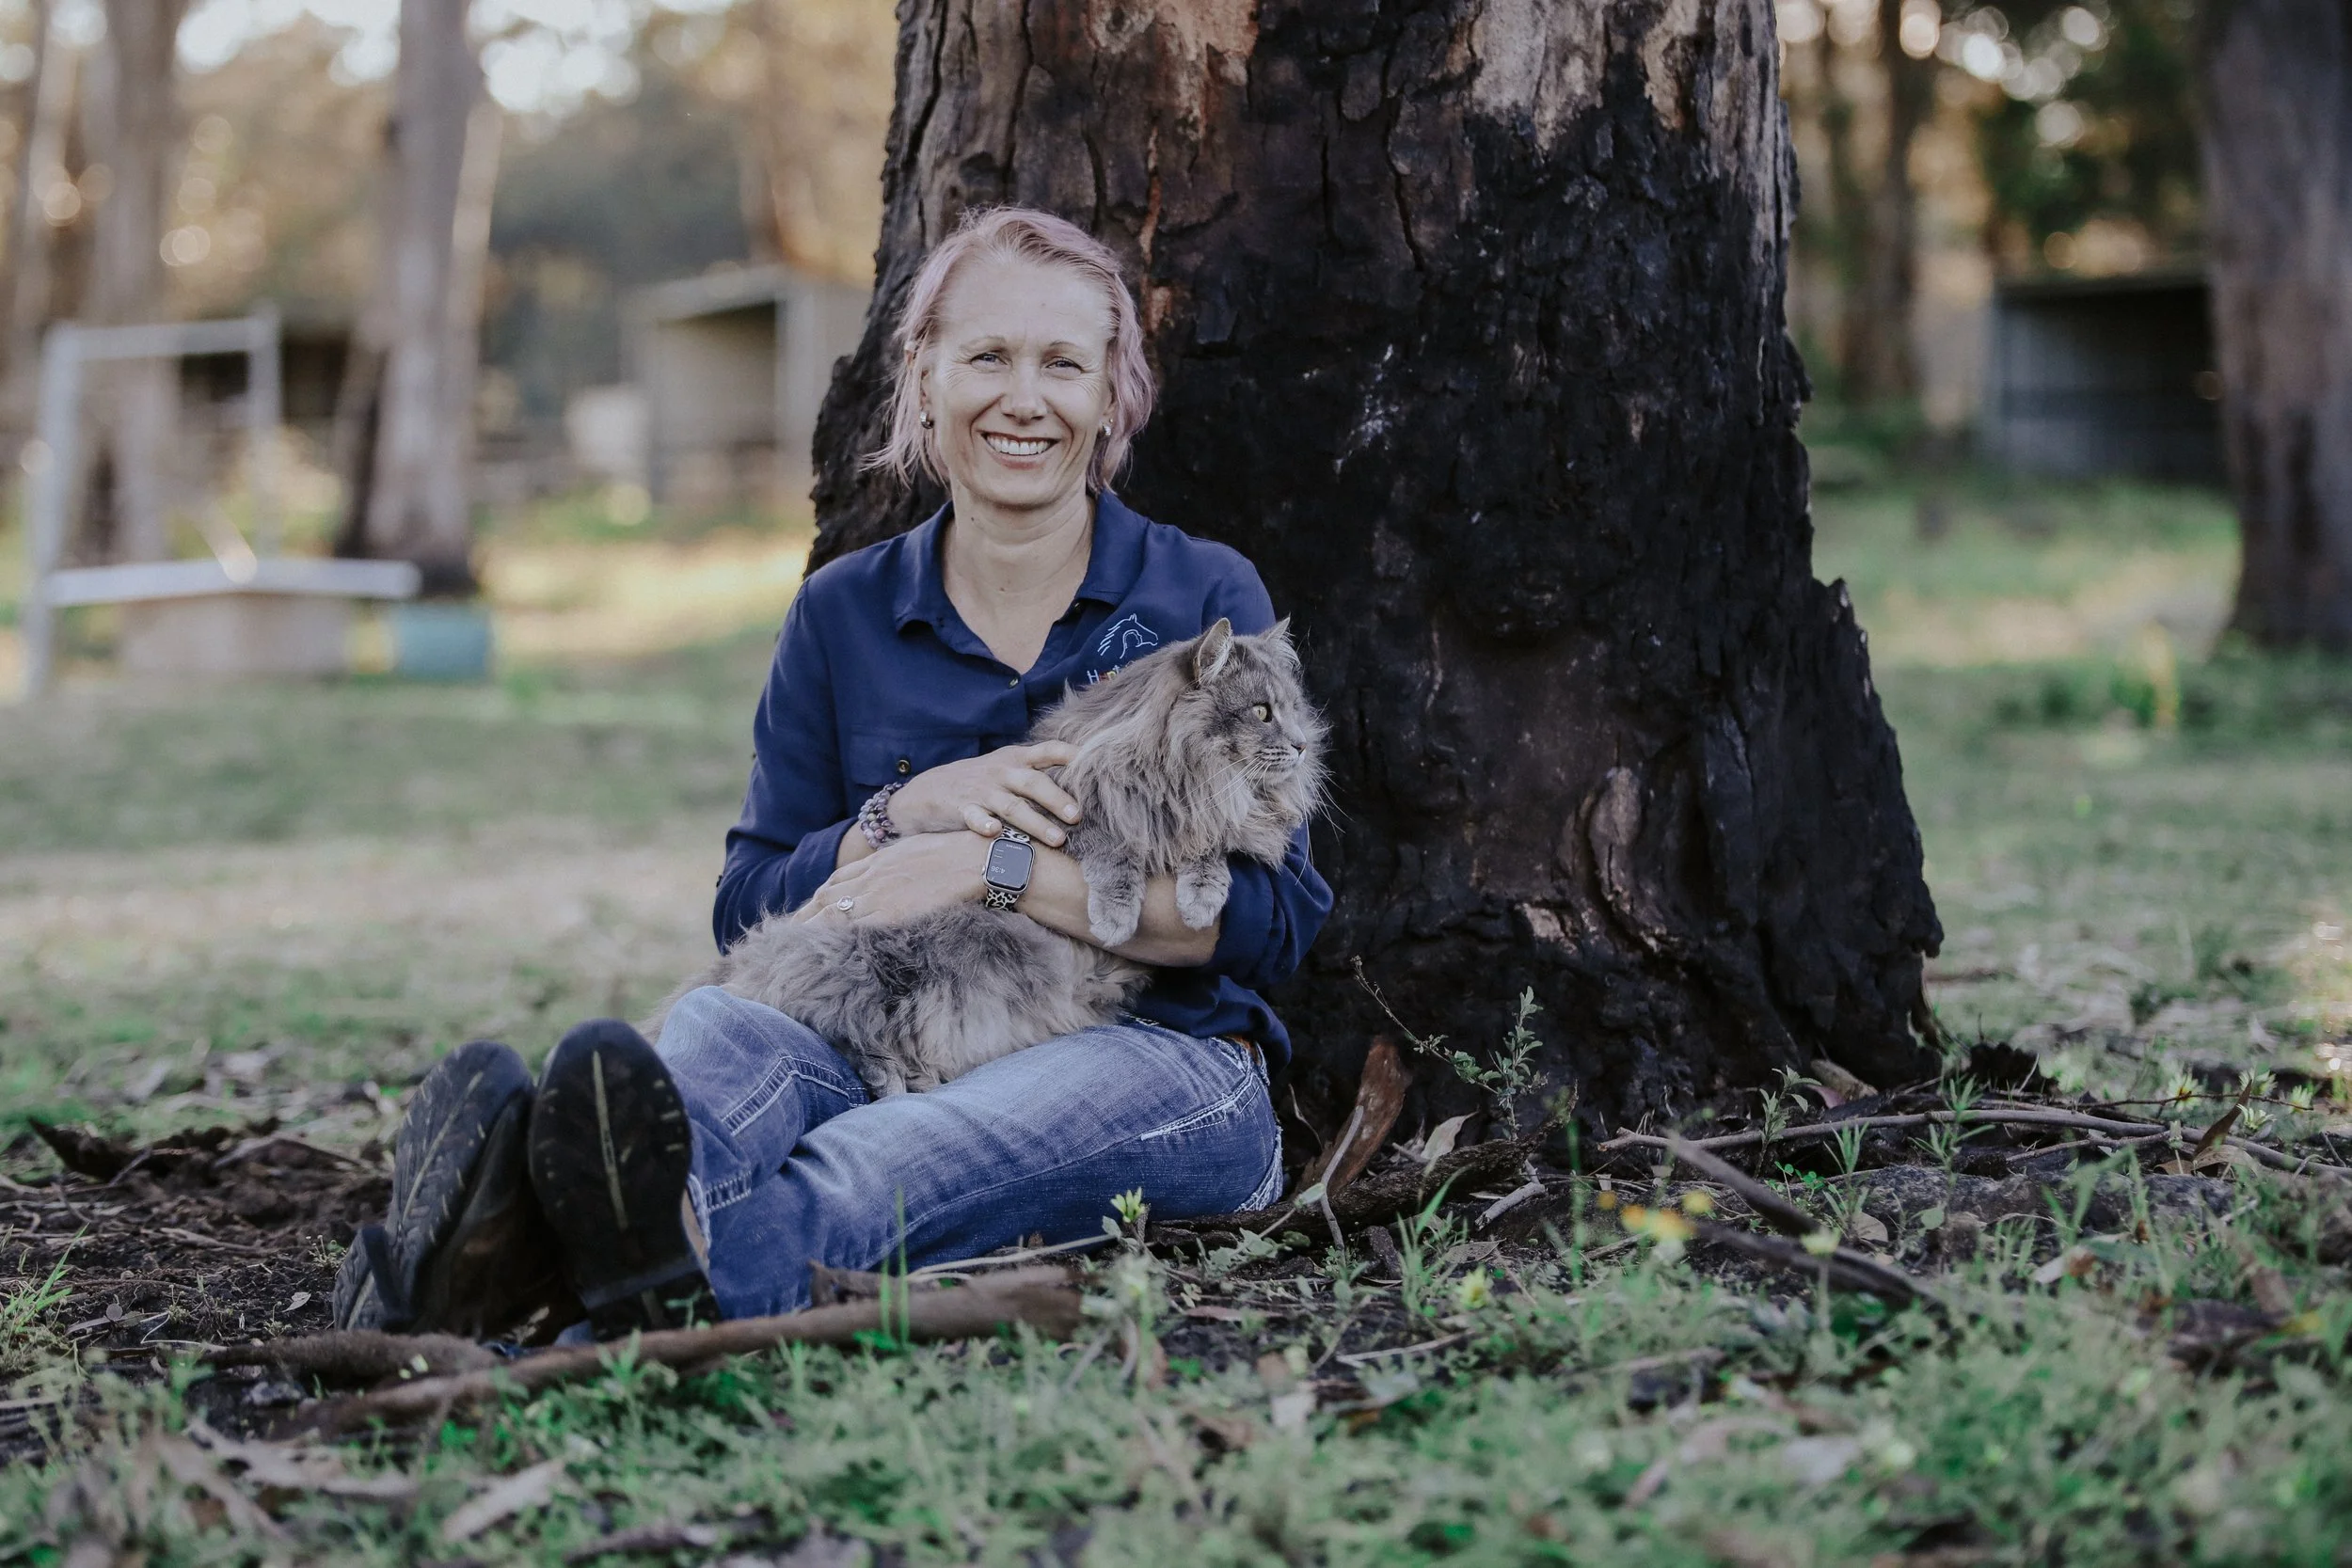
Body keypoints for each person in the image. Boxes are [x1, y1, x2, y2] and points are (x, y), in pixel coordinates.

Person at [334, 207, 1331, 1341]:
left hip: (1159, 1065)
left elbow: (1270, 921)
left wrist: (984, 867)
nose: (1025, 397)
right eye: (988, 356)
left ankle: (523, 1274)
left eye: (1063, 361)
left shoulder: (1199, 598)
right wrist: (896, 816)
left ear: (1112, 392)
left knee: (873, 1162)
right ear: (922, 373)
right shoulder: (842, 613)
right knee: (712, 1039)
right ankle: (563, 1256)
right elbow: (750, 896)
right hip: (879, 1030)